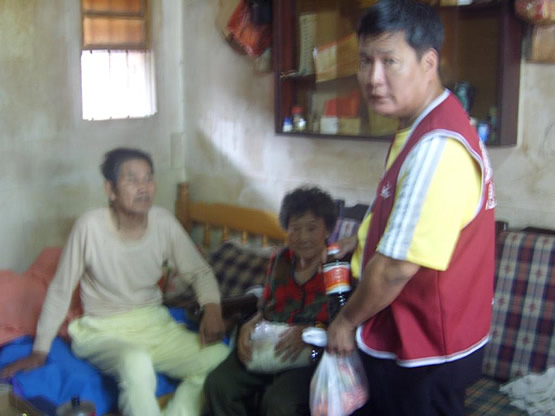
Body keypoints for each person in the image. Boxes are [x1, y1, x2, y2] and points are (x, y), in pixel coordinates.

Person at [327, 1, 497, 415]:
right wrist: (359, 240)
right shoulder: (422, 126)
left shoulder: (438, 147)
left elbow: (396, 267)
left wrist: (345, 321)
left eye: (390, 61)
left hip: (426, 349)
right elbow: (402, 211)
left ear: (428, 63)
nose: (373, 78)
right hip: (411, 338)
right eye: (365, 61)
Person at [0, 147, 229, 416]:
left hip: (154, 324)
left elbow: (200, 272)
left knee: (219, 359)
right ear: (110, 189)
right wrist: (40, 351)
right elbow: (60, 290)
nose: (143, 187)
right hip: (102, 329)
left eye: (148, 178)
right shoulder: (89, 227)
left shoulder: (164, 223)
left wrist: (212, 308)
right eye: (132, 180)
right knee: (136, 362)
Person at [204, 186, 337, 416]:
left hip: (314, 354)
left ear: (327, 230)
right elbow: (266, 306)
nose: (303, 237)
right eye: (295, 228)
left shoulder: (337, 267)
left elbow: (343, 322)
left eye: (312, 228)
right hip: (271, 345)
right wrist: (249, 324)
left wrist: (309, 332)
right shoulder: (281, 259)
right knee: (219, 384)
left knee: (279, 403)